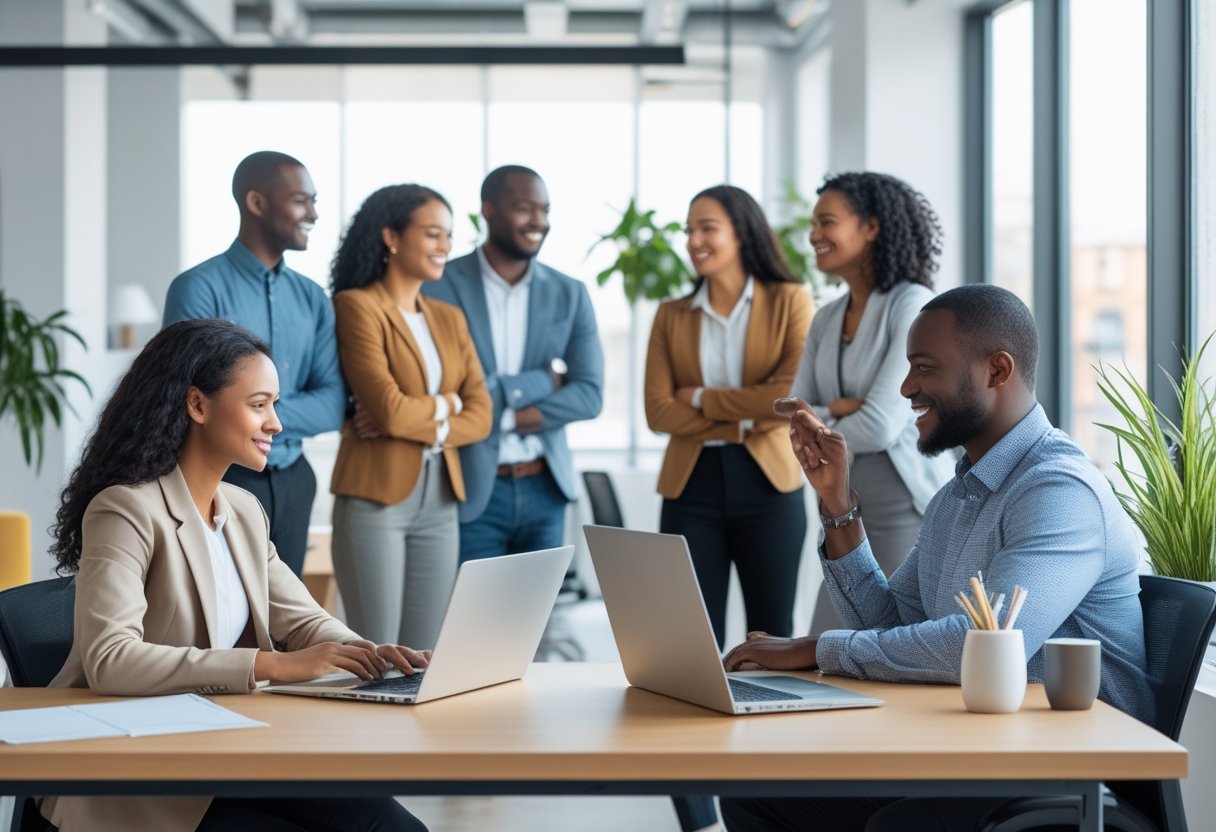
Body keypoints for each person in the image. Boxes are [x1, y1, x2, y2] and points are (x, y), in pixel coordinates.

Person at [719, 284, 1152, 832]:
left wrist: (812, 648)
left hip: (1069, 772)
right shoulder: (958, 494)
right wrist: (837, 502)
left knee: (897, 826)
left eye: (923, 368)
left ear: (997, 370)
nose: (906, 387)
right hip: (982, 748)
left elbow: (979, 649)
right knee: (755, 795)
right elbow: (888, 623)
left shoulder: (1059, 490)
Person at [43, 319, 429, 832]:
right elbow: (111, 660)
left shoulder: (243, 510)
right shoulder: (125, 510)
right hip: (143, 773)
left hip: (229, 746)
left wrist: (370, 655)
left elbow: (308, 624)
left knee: (391, 825)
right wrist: (277, 666)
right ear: (198, 405)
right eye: (259, 404)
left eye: (274, 405)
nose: (275, 423)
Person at [644, 184, 813, 650]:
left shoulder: (791, 300)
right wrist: (744, 419)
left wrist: (698, 397)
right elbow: (658, 410)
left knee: (773, 633)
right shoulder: (671, 315)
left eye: (707, 228)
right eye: (689, 230)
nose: (694, 240)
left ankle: (773, 719)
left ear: (741, 232)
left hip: (769, 485)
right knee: (690, 638)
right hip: (690, 486)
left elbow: (787, 396)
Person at [163, 150, 345, 578]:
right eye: (302, 200)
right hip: (222, 478)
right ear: (257, 203)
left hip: (294, 482)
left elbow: (333, 403)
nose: (314, 214)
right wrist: (273, 410)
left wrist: (248, 409)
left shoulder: (312, 298)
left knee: (287, 621)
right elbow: (187, 397)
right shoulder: (197, 288)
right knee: (218, 617)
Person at [329, 184, 492, 649]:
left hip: (440, 499)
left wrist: (430, 417)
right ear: (392, 237)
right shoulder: (358, 306)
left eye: (449, 236)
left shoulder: (448, 318)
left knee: (426, 655)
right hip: (375, 500)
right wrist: (449, 404)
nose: (446, 246)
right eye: (433, 234)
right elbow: (389, 411)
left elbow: (482, 414)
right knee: (375, 650)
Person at [791, 172, 955, 633]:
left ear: (871, 227)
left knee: (888, 641)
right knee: (827, 639)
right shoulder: (826, 317)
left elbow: (881, 426)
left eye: (827, 221)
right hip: (837, 500)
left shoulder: (912, 304)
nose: (814, 235)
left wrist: (829, 414)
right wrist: (844, 408)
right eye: (814, 223)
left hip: (900, 504)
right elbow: (793, 411)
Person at [420, 165, 603, 561]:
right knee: (468, 623)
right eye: (524, 208)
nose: (538, 221)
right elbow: (435, 390)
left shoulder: (569, 294)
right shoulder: (437, 286)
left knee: (538, 622)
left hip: (546, 491)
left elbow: (589, 395)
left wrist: (497, 416)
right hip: (469, 492)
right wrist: (541, 381)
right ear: (488, 210)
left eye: (545, 210)